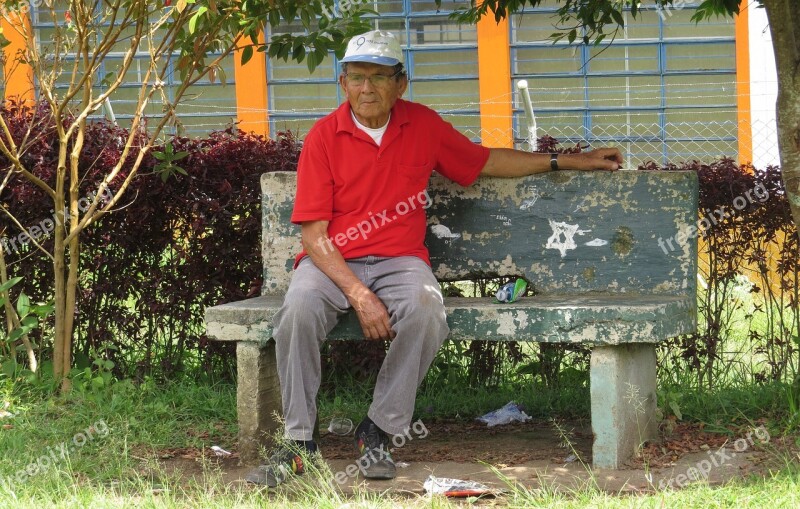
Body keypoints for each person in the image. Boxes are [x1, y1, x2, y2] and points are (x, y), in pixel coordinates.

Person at [245, 29, 623, 487]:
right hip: (333, 262)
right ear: (342, 83)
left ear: (400, 83)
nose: (367, 88)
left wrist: (567, 161)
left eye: (380, 77)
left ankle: (378, 430)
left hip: (399, 260)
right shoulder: (325, 138)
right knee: (298, 311)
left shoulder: (422, 125)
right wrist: (359, 293)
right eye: (357, 77)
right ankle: (299, 443)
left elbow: (483, 161)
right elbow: (314, 235)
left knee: (427, 310)